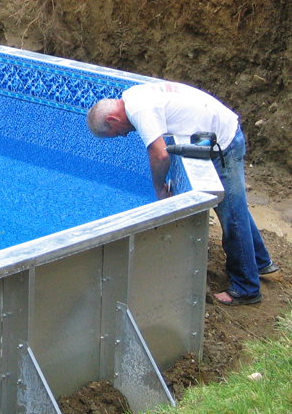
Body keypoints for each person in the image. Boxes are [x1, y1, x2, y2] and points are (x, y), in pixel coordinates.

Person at [87, 81, 279, 306]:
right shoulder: (133, 95)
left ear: (112, 120)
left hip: (223, 143)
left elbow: (160, 155)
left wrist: (159, 187)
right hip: (221, 132)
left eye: (116, 133)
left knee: (231, 215)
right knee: (234, 209)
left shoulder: (138, 111)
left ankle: (247, 287)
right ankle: (260, 262)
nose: (123, 136)